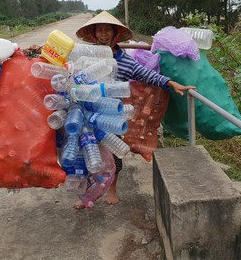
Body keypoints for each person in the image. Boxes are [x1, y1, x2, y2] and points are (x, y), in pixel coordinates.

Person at [74, 11, 195, 209]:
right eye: (100, 31)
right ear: (94, 35)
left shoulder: (125, 61)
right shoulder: (87, 56)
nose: (104, 34)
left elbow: (146, 75)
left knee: (114, 155)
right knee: (87, 154)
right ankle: (86, 196)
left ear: (115, 35)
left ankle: (112, 190)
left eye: (107, 31)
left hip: (111, 115)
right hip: (87, 113)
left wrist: (171, 83)